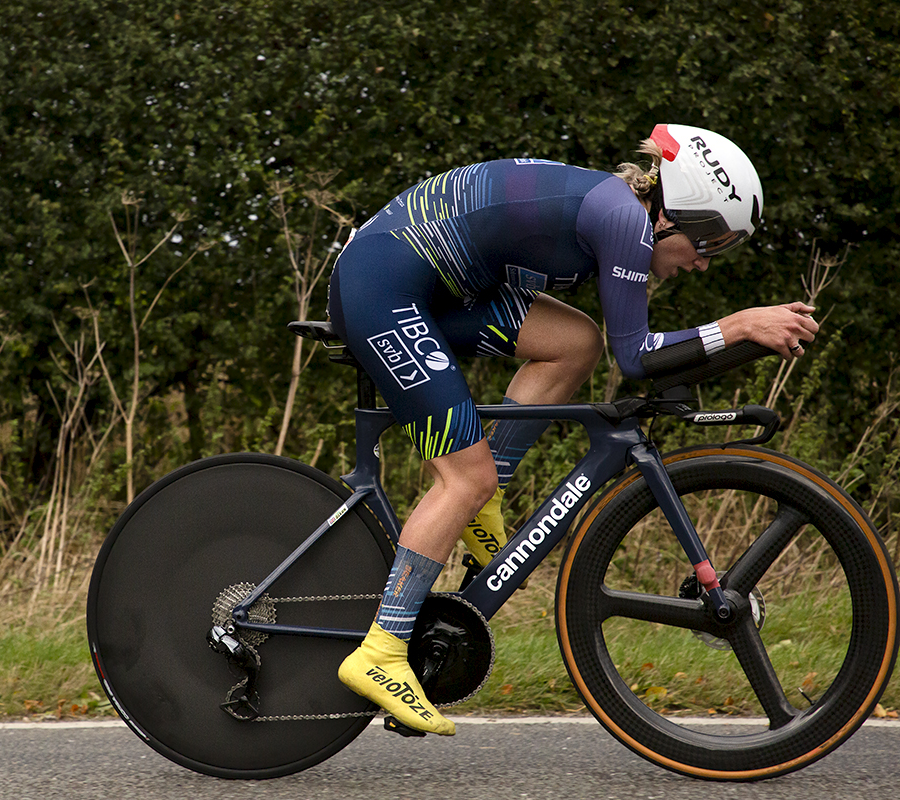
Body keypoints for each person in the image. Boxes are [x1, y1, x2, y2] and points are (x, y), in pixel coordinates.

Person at [328, 124, 819, 735]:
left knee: (574, 342)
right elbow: (637, 358)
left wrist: (745, 339)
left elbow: (626, 355)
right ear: (675, 215)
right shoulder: (624, 223)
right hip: (384, 286)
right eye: (708, 243)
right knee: (463, 477)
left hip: (439, 285)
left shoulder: (625, 215)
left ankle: (487, 501)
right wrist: (741, 325)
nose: (702, 262)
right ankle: (382, 649)